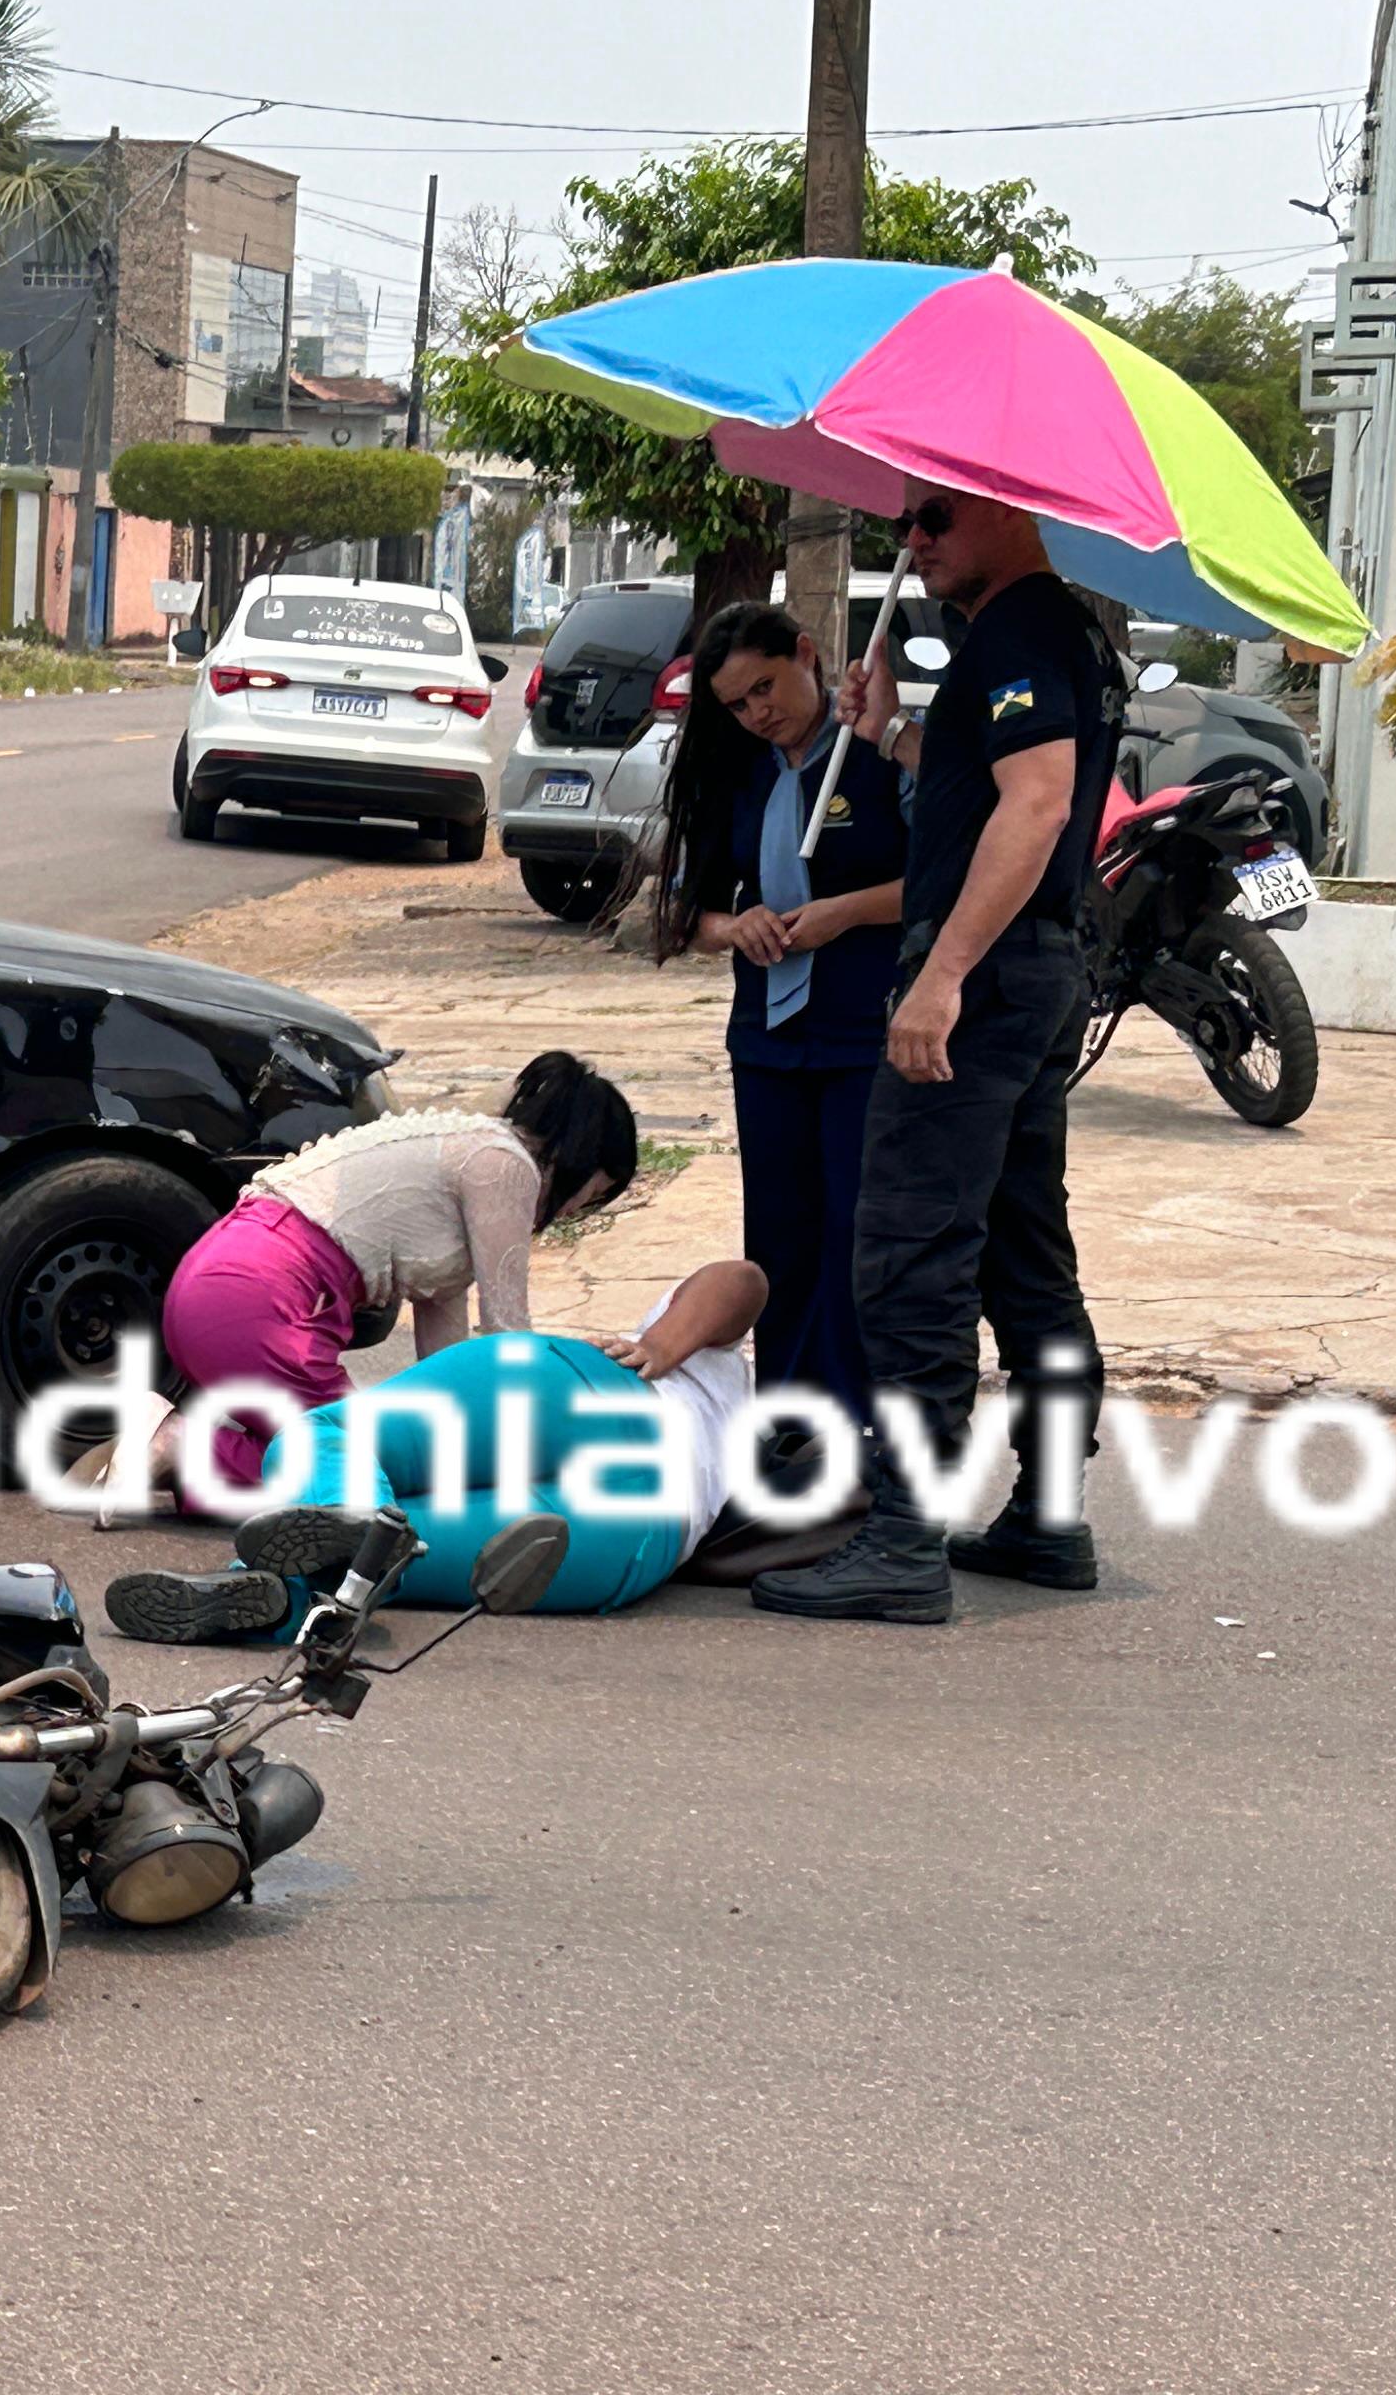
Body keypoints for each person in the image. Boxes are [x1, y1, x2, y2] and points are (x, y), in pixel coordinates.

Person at [751, 488, 1115, 1626]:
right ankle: (1048, 1517)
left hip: (989, 981)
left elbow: (1038, 803)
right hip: (1037, 974)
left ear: (1011, 512)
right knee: (1020, 1243)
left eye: (938, 519)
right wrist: (895, 733)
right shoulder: (1055, 635)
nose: (914, 540)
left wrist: (944, 974)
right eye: (909, 520)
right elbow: (986, 783)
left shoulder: (1020, 629)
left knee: (910, 1247)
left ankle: (902, 1537)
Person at [104, 1260, 769, 1640]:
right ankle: (292, 1580)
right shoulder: (764, 1400)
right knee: (383, 1565)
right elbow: (743, 1281)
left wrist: (658, 1347)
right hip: (638, 1521)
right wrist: (661, 1348)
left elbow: (742, 1278)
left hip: (590, 1405)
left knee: (321, 1444)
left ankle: (290, 1569)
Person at [131, 1054, 640, 1507]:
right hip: (261, 1298)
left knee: (374, 1464)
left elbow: (443, 1367)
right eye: (595, 1192)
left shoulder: (467, 1155)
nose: (578, 1209)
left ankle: (182, 1449)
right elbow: (508, 1332)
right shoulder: (506, 1165)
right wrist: (573, 1400)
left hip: (220, 1284)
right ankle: (182, 1443)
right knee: (356, 1475)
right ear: (583, 1157)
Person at [648, 602, 908, 1434]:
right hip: (768, 1039)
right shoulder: (740, 777)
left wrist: (845, 913)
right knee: (780, 1239)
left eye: (766, 687)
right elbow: (676, 916)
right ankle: (787, 1427)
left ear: (807, 655)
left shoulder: (877, 757)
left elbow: (943, 880)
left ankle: (857, 1424)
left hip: (865, 1032)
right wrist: (737, 925)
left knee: (854, 1234)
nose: (759, 713)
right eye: (736, 704)